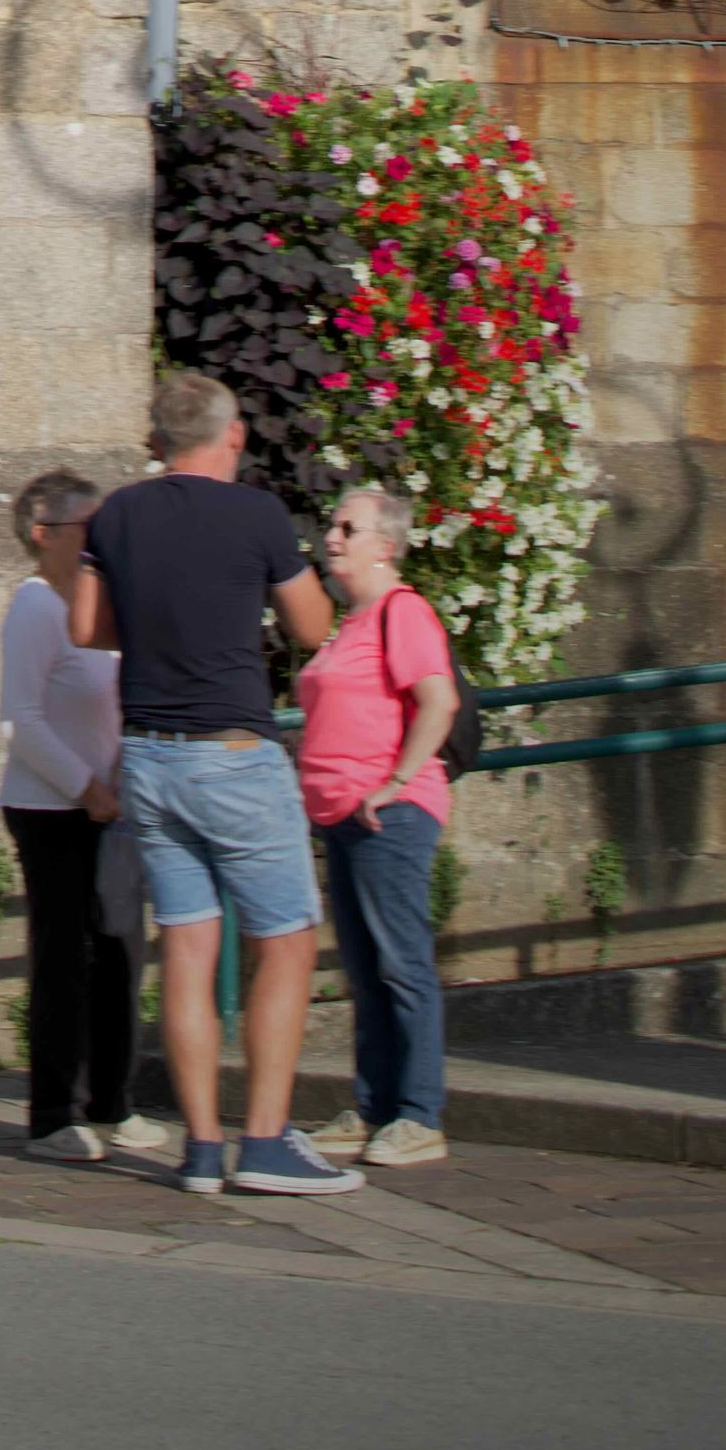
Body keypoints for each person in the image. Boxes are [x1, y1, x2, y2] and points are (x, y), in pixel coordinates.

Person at [67, 372, 358, 1198]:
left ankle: (199, 1148)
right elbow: (312, 626)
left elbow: (85, 627)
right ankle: (262, 1141)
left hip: (149, 755)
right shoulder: (257, 515)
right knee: (286, 940)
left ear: (159, 440)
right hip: (233, 752)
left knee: (187, 949)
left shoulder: (117, 514)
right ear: (232, 435)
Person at [0, 470, 168, 1164]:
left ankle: (112, 1101)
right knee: (64, 956)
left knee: (120, 951)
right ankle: (51, 1115)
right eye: (88, 528)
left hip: (112, 807)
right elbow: (20, 718)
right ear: (45, 535)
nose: (103, 540)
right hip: (50, 809)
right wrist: (86, 788)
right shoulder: (35, 606)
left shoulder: (101, 604)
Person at [295, 484, 460, 1168]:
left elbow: (438, 702)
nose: (331, 538)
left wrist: (393, 783)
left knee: (401, 962)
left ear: (385, 546)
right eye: (333, 526)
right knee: (366, 969)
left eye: (348, 528)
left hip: (388, 815)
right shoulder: (351, 621)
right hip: (342, 815)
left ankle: (419, 1114)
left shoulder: (403, 611)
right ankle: (374, 1107)